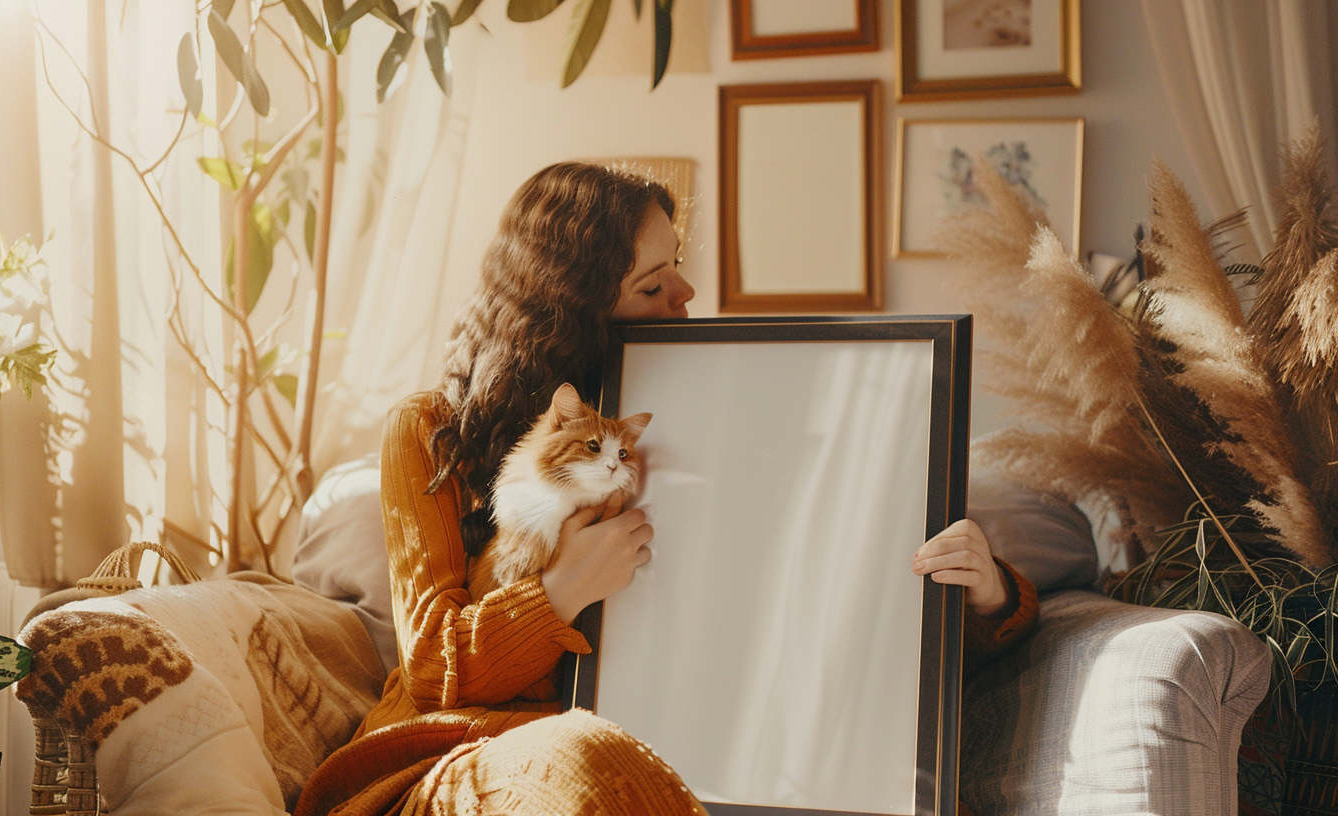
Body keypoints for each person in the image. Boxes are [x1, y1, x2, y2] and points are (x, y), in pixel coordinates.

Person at [293, 162, 1037, 816]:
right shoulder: (427, 429)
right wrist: (558, 592)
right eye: (653, 284)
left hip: (699, 747)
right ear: (569, 307)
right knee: (592, 767)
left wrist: (986, 595)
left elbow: (828, 605)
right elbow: (430, 668)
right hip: (470, 755)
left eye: (676, 267)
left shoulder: (704, 409)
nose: (685, 292)